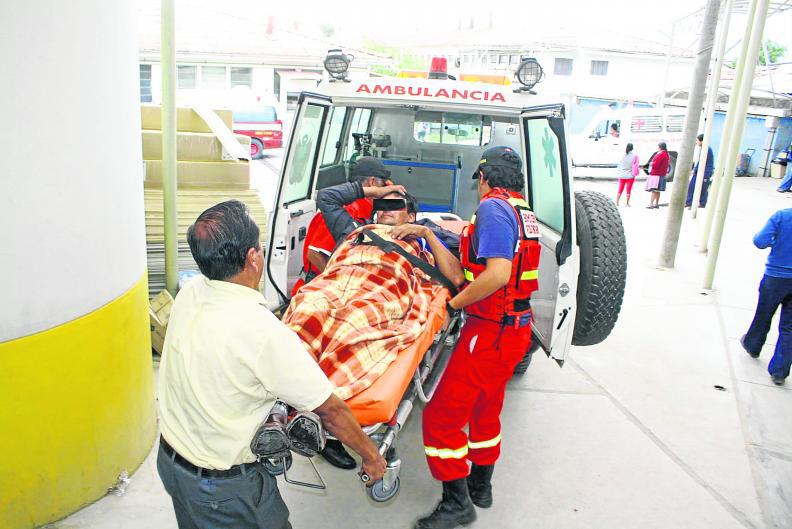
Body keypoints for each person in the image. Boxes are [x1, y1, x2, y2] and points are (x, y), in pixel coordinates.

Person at [157, 200, 386, 529]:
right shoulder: (262, 332)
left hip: (171, 461)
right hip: (224, 489)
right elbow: (332, 411)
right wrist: (372, 456)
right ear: (253, 258)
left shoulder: (189, 292)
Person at [416, 146, 541, 529]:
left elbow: (497, 274)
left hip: (489, 331)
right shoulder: (522, 211)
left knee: (441, 417)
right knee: (485, 409)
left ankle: (457, 504)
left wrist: (454, 305)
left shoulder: (492, 209)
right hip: (513, 330)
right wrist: (428, 234)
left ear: (484, 178)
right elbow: (478, 271)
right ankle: (480, 487)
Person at [292, 156, 390, 297]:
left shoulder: (367, 209)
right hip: (315, 291)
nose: (385, 189)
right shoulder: (343, 210)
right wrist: (340, 284)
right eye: (384, 185)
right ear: (372, 182)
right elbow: (314, 254)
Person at [740, 208, 792, 386]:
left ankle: (753, 345)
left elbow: (760, 241)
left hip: (775, 276)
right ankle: (780, 372)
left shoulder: (782, 216)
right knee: (789, 327)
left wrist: (776, 242)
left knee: (764, 314)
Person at [686, 134, 714, 208]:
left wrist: (695, 170)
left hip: (705, 172)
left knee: (703, 188)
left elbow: (702, 161)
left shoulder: (706, 149)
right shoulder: (704, 148)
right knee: (692, 186)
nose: (696, 142)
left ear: (702, 141)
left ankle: (701, 203)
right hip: (701, 171)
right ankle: (689, 202)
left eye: (697, 140)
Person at [644, 142, 670, 209]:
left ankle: (651, 204)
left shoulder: (660, 154)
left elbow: (656, 165)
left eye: (658, 146)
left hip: (656, 175)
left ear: (660, 147)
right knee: (658, 191)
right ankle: (656, 204)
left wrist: (651, 163)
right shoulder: (666, 154)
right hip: (662, 174)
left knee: (654, 190)